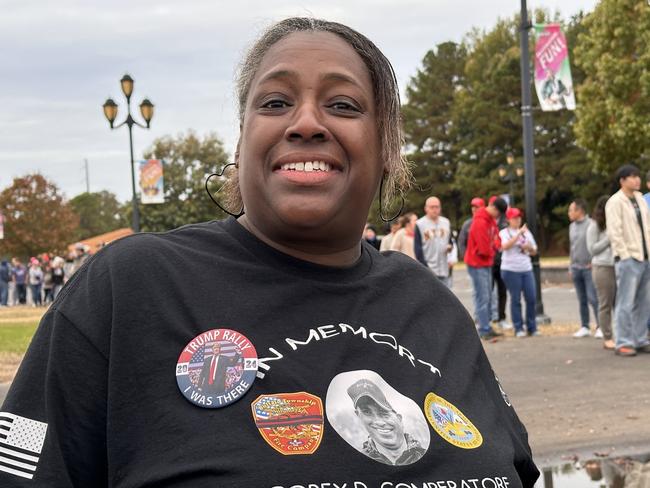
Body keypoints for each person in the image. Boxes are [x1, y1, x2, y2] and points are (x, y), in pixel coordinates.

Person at [0, 18, 538, 487]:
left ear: (386, 150)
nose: (305, 122)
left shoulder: (432, 305)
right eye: (276, 102)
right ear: (241, 143)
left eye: (343, 104)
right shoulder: (128, 287)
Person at [605, 164, 650, 357]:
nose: (637, 180)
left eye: (637, 176)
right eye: (632, 176)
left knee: (644, 301)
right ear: (622, 180)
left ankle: (640, 339)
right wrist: (624, 255)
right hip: (628, 259)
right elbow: (615, 232)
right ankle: (623, 341)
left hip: (645, 256)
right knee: (625, 302)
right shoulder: (615, 201)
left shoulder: (640, 198)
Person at [347, 378, 425, 466]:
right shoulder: (356, 464)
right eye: (367, 412)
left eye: (383, 413)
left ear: (399, 419)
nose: (379, 422)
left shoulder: (426, 458)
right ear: (359, 416)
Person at [465, 197, 508, 339]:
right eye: (499, 214)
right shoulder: (480, 221)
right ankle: (483, 329)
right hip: (477, 264)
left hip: (486, 263)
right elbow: (483, 248)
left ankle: (485, 325)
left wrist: (494, 245)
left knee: (486, 296)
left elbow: (498, 238)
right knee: (482, 297)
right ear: (495, 209)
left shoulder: (490, 221)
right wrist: (494, 248)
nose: (499, 217)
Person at [499, 208, 538, 338]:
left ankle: (532, 327)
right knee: (515, 299)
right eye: (514, 218)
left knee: (531, 298)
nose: (517, 220)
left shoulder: (526, 232)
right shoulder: (504, 232)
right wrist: (518, 235)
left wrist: (529, 247)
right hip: (510, 270)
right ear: (508, 220)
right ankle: (518, 327)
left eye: (519, 217)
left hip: (526, 268)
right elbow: (504, 246)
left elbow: (534, 251)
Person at [586, 196, 616, 350]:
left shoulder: (615, 223)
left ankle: (622, 334)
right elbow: (592, 249)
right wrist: (608, 239)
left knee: (620, 303)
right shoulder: (594, 226)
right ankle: (607, 337)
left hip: (617, 265)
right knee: (605, 303)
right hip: (602, 267)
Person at [568, 199, 599, 338]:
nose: (569, 213)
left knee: (593, 298)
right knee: (582, 299)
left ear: (579, 211)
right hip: (576, 267)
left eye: (571, 210)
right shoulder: (572, 226)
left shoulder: (592, 224)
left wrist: (593, 261)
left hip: (589, 268)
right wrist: (570, 266)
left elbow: (596, 244)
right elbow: (572, 247)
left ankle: (601, 327)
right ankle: (585, 326)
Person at [414, 196, 452, 287]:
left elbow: (450, 241)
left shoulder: (446, 222)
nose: (435, 209)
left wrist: (450, 247)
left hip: (444, 268)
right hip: (429, 268)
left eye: (437, 207)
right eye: (432, 207)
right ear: (426, 208)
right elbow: (417, 249)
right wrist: (425, 267)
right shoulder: (420, 224)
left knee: (445, 298)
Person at [490, 196, 510, 330]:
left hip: (501, 261)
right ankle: (490, 318)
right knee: (488, 292)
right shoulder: (487, 220)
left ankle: (502, 317)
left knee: (502, 291)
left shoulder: (505, 222)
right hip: (489, 262)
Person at [458, 197, 485, 261]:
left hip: (485, 259)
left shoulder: (487, 222)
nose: (474, 209)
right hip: (472, 260)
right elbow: (461, 241)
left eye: (477, 207)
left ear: (483, 208)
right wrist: (465, 256)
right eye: (473, 207)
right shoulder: (467, 224)